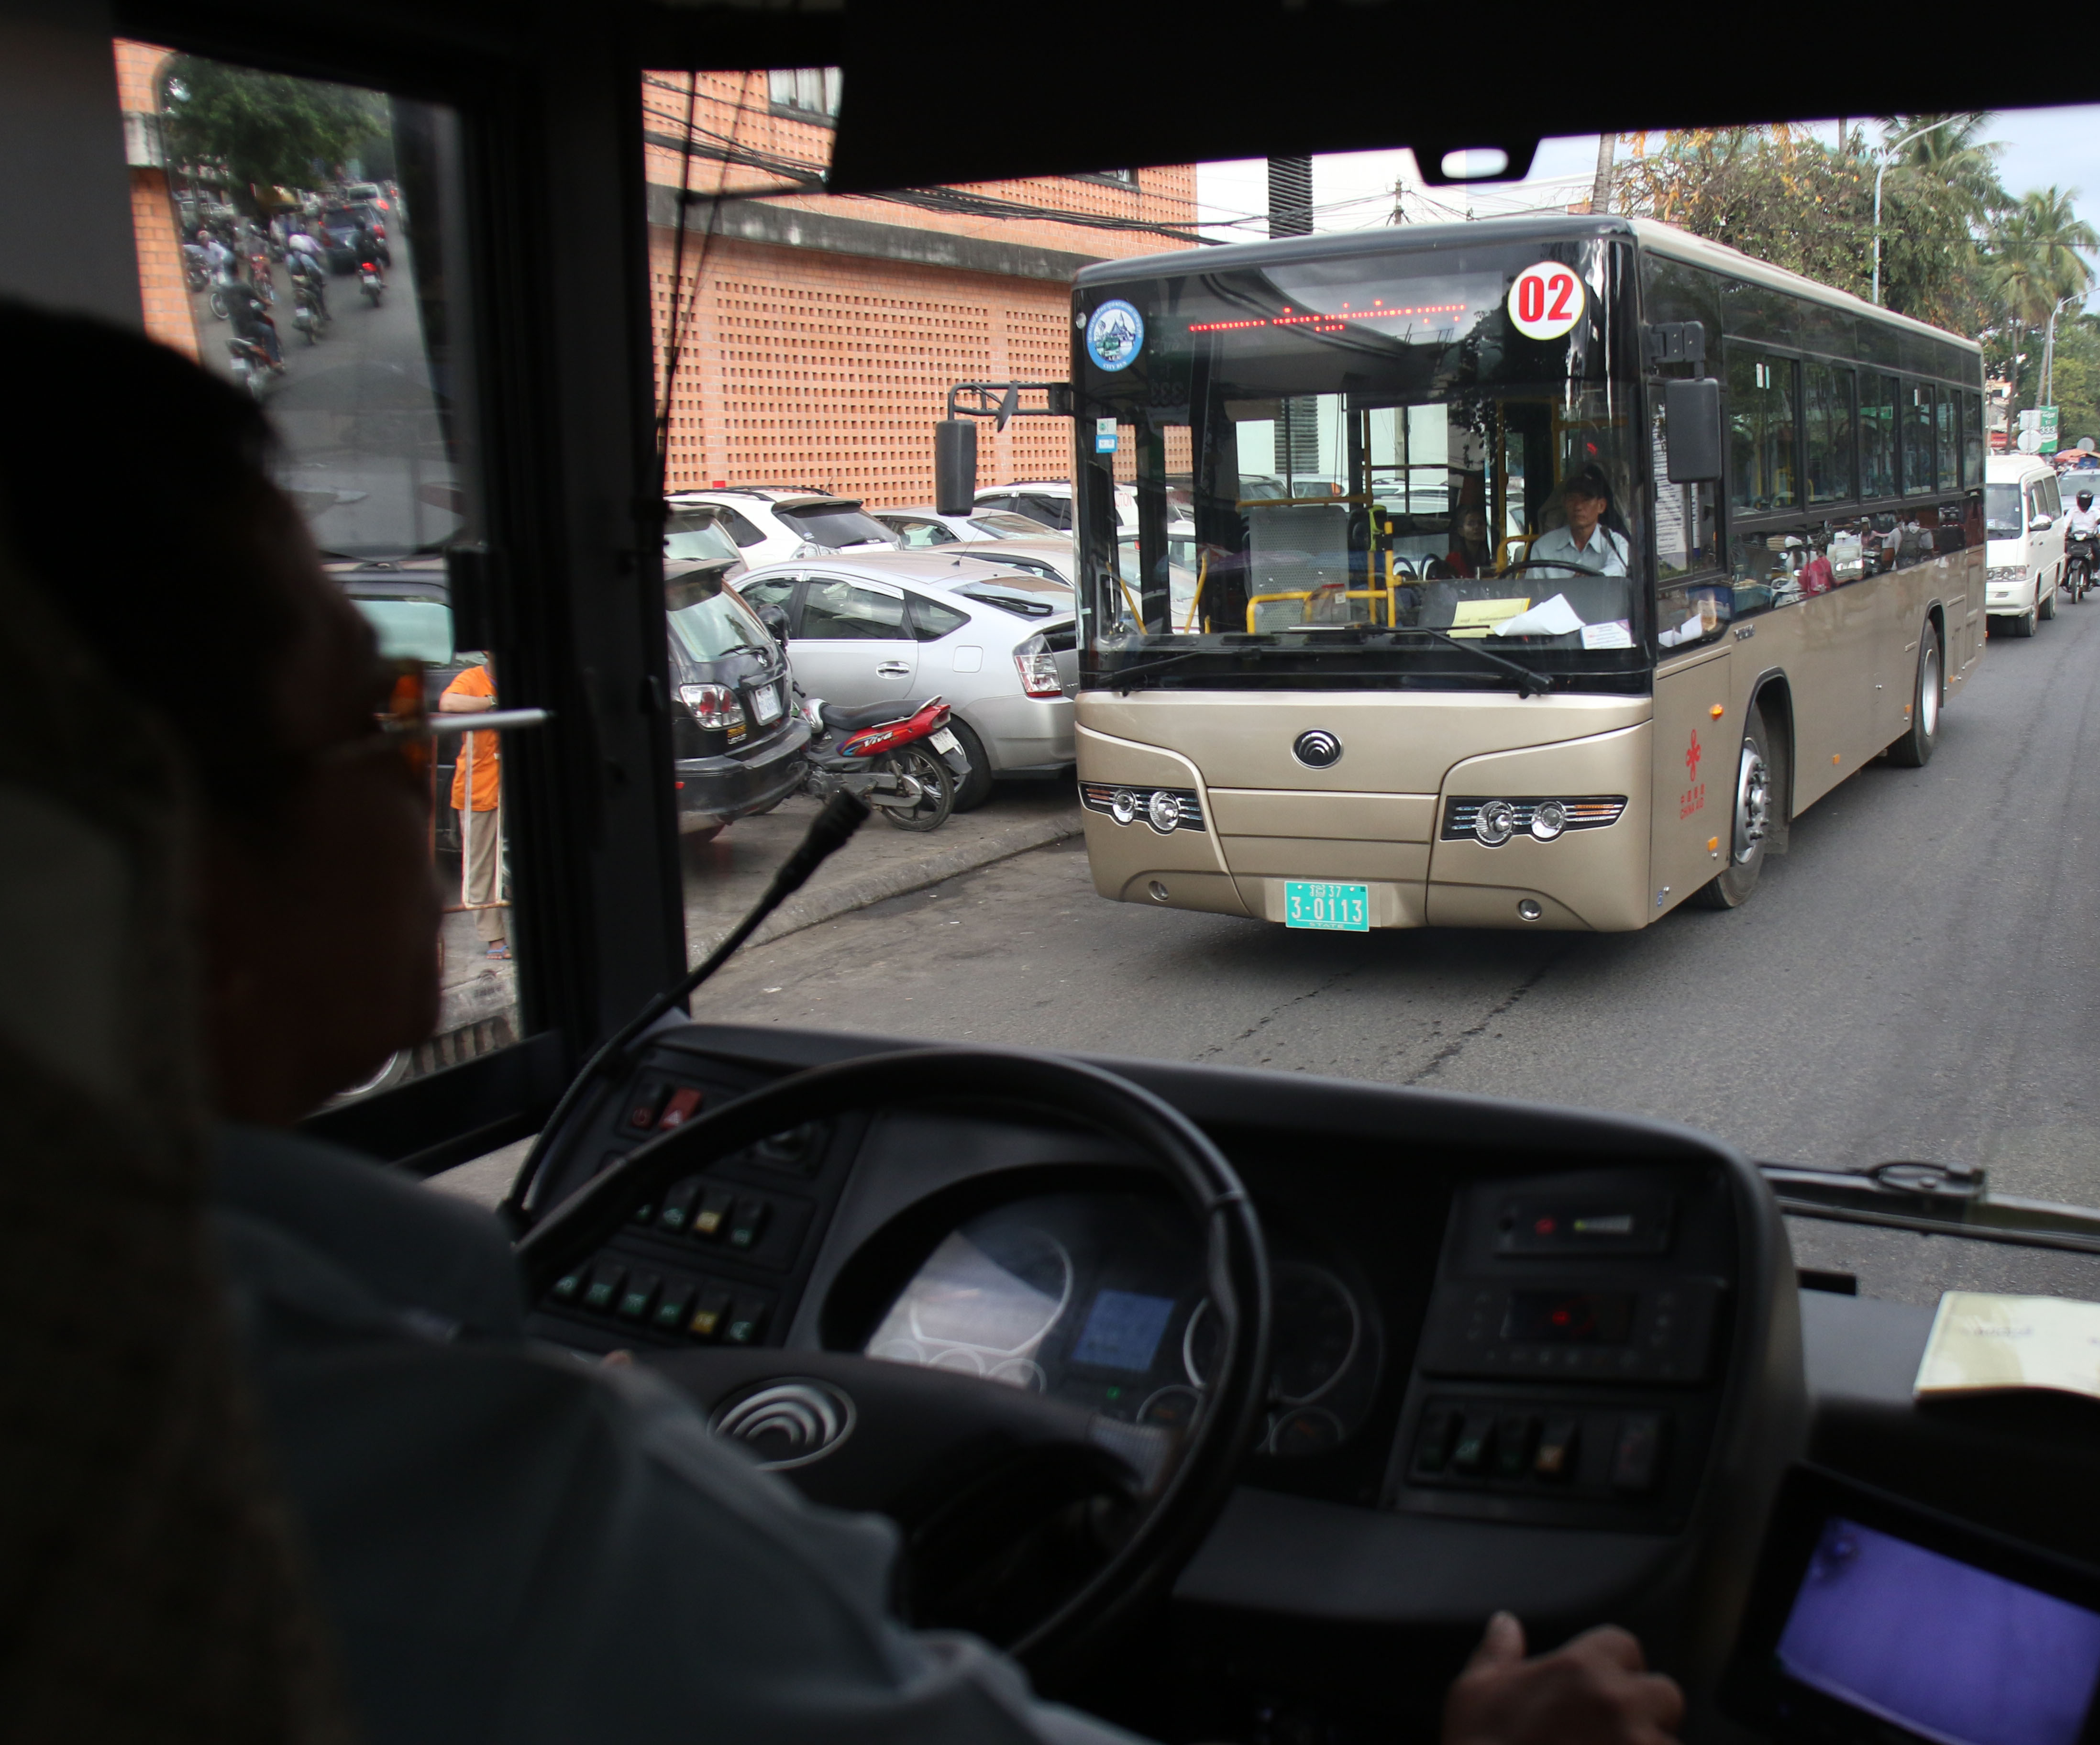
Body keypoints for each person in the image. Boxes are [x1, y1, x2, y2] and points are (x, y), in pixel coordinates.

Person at [1, 298, 1683, 1745]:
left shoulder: (257, 1387)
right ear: (139, 877)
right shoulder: (490, 1499)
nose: (418, 761)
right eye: (373, 707)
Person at [442, 652, 509, 957]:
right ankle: (495, 940)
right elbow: (448, 703)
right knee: (482, 867)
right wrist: (493, 703)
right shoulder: (473, 679)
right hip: (480, 787)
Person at [1521, 465, 1631, 628]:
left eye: (1586, 499)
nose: (1578, 507)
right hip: (1554, 628)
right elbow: (1533, 594)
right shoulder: (1543, 546)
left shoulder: (1615, 543)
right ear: (1565, 503)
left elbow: (1617, 570)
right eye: (1573, 499)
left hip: (1602, 626)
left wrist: (1591, 581)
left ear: (1601, 506)